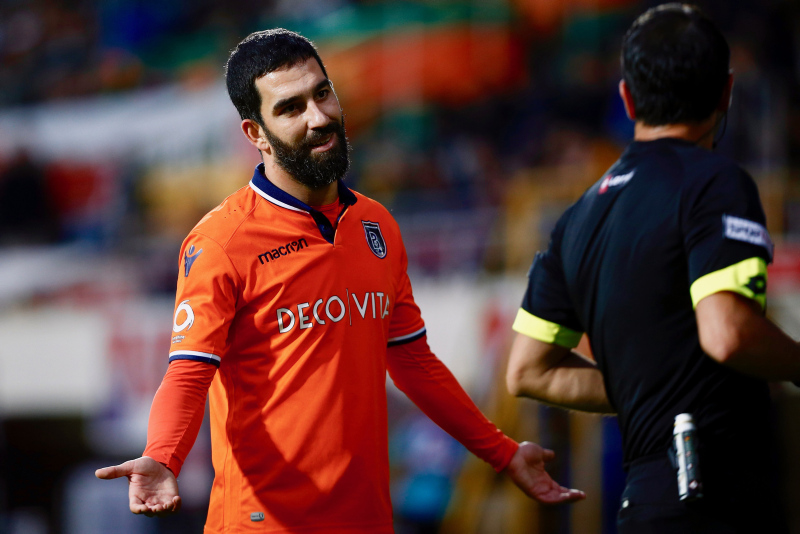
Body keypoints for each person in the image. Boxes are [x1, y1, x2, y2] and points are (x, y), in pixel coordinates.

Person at [95, 29, 584, 533]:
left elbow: (414, 363)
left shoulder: (377, 225)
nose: (318, 117)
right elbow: (188, 372)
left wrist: (503, 452)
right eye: (290, 108)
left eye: (322, 93)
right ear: (255, 133)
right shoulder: (222, 242)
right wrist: (162, 457)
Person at [505, 4, 797, 533]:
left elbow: (527, 370)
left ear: (627, 97)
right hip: (720, 496)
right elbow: (728, 334)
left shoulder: (577, 217)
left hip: (641, 504)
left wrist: (649, 392)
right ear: (726, 92)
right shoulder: (716, 182)